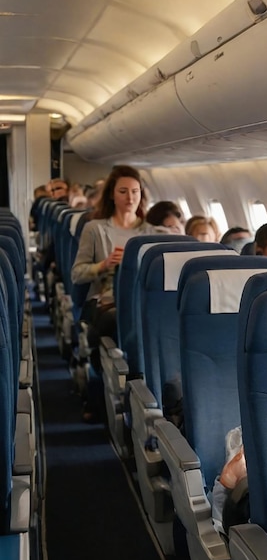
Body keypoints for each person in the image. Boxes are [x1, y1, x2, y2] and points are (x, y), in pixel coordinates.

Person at [71, 165, 160, 421]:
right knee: (116, 321)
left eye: (135, 191)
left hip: (142, 300)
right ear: (112, 194)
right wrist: (105, 264)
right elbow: (77, 273)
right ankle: (109, 388)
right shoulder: (95, 229)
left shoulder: (152, 233)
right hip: (107, 301)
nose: (130, 198)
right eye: (123, 191)